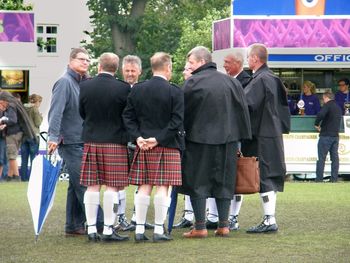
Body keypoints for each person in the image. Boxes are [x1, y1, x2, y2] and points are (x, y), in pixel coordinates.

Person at [180, 46, 251, 238]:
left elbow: (182, 113)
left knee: (198, 182)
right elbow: (243, 111)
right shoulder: (231, 82)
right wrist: (241, 137)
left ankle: (201, 227)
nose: (190, 67)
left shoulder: (192, 83)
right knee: (225, 181)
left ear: (202, 62)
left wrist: (181, 135)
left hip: (198, 140)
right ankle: (224, 226)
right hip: (228, 141)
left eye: (192, 63)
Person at [123, 52, 184, 242]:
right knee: (163, 187)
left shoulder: (138, 89)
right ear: (168, 67)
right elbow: (177, 121)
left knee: (144, 186)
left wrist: (138, 137)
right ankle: (158, 230)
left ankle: (139, 230)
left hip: (143, 146)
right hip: (167, 145)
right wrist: (158, 139)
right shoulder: (175, 91)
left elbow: (128, 117)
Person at [47, 47, 103, 236]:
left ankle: (73, 225)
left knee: (74, 184)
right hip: (70, 141)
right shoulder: (64, 82)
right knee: (83, 183)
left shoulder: (83, 82)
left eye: (88, 60)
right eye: (81, 59)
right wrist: (53, 137)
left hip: (82, 138)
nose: (85, 63)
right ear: (71, 61)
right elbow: (55, 112)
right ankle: (102, 223)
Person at [79, 52, 130, 242]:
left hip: (92, 139)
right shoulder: (124, 88)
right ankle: (108, 229)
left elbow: (81, 112)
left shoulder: (85, 86)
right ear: (116, 69)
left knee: (92, 186)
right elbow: (127, 116)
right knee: (112, 187)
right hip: (115, 141)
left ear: (99, 66)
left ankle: (91, 229)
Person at [242, 43, 290, 233]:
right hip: (273, 133)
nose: (248, 61)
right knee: (271, 173)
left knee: (266, 175)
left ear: (254, 58)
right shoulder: (274, 79)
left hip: (262, 135)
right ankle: (269, 218)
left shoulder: (260, 80)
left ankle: (269, 220)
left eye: (248, 58)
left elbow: (246, 105)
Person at [115, 55, 154, 232]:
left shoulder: (145, 89)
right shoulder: (116, 89)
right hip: (120, 139)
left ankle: (138, 217)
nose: (130, 74)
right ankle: (120, 218)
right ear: (122, 70)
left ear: (139, 71)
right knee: (119, 180)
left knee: (143, 181)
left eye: (133, 70)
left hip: (141, 141)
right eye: (127, 70)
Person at [0, 92, 35, 182]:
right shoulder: (15, 104)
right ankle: (9, 176)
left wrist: (3, 120)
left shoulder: (10, 106)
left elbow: (12, 120)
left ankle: (16, 177)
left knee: (11, 156)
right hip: (18, 133)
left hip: (13, 134)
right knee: (12, 155)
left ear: (4, 100)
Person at [315, 91, 342, 183]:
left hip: (326, 135)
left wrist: (316, 124)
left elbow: (320, 114)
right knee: (334, 158)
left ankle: (319, 179)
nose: (323, 100)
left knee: (321, 158)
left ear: (326, 97)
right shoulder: (338, 107)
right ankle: (334, 179)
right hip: (335, 136)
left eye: (323, 98)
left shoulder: (327, 105)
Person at [20, 94, 43, 181]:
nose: (39, 104)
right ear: (36, 102)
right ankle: (33, 179)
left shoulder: (22, 108)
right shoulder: (34, 109)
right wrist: (40, 116)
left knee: (24, 159)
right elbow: (38, 123)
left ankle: (23, 178)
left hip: (24, 135)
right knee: (33, 159)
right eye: (39, 102)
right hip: (33, 135)